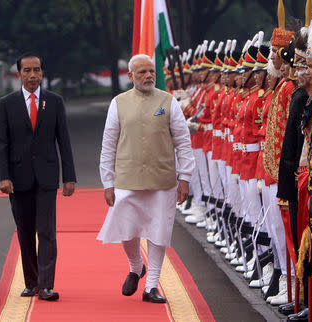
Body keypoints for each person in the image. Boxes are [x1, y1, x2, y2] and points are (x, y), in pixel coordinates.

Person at [97, 54, 195, 303]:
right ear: (130, 76)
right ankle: (135, 265)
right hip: (127, 178)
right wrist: (107, 182)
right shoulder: (118, 103)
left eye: (151, 71)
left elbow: (183, 142)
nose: (148, 76)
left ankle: (151, 285)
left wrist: (185, 177)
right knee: (126, 229)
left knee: (158, 231)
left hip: (162, 179)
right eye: (141, 72)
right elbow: (108, 144)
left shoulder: (168, 101)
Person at [0, 53, 76, 301]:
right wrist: (3, 176)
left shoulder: (54, 101)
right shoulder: (7, 104)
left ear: (42, 72)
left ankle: (46, 284)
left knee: (47, 231)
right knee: (25, 231)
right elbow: (1, 143)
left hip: (47, 177)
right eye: (27, 71)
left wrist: (69, 176)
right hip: (18, 179)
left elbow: (64, 139)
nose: (32, 75)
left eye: (37, 70)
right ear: (19, 74)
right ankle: (31, 283)